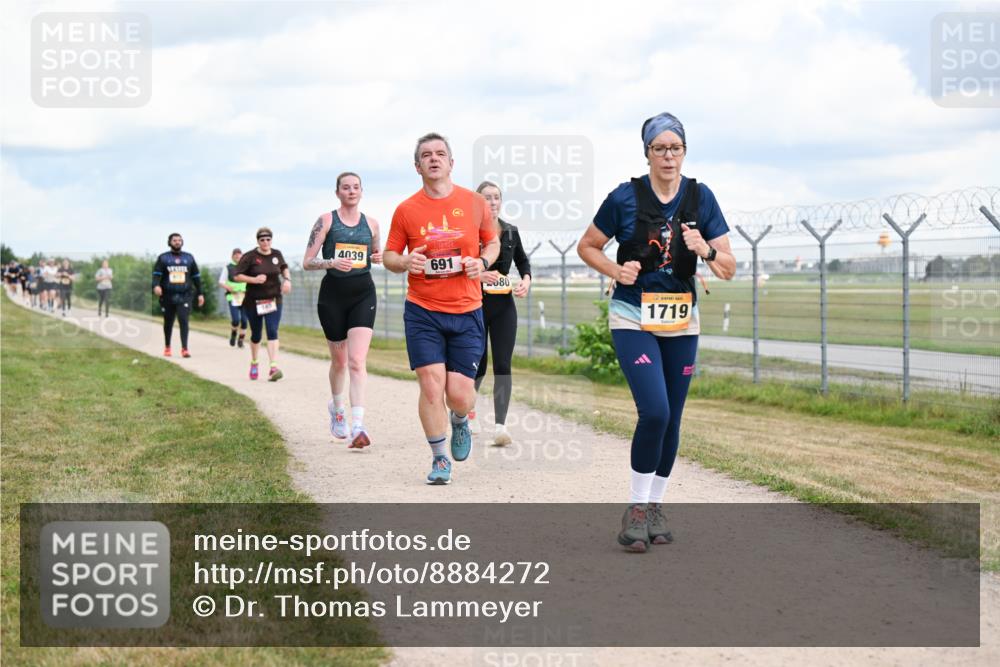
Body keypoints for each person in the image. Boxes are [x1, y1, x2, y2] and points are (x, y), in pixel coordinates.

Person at [577, 112, 736, 552]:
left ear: (685, 152)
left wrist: (704, 249)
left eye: (676, 147)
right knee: (656, 412)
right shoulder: (624, 197)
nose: (668, 155)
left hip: (682, 320)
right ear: (646, 152)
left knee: (674, 420)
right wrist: (615, 269)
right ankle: (636, 510)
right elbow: (587, 245)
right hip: (633, 315)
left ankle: (657, 506)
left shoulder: (701, 198)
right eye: (659, 147)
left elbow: (727, 268)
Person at [383, 132, 500, 485]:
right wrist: (406, 262)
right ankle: (439, 458)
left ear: (451, 162)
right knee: (431, 387)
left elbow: (492, 241)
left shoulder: (474, 202)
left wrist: (482, 261)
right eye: (426, 155)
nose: (434, 159)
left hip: (467, 309)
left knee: (459, 395)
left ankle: (460, 419)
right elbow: (389, 256)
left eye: (440, 154)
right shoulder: (406, 210)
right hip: (423, 310)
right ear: (417, 166)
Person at [304, 172, 383, 449]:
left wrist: (379, 257)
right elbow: (307, 262)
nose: (351, 191)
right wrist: (332, 262)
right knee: (339, 362)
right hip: (333, 297)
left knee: (357, 361)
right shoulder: (326, 221)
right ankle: (338, 411)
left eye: (356, 187)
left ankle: (358, 425)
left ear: (362, 191)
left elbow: (376, 255)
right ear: (337, 192)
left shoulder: (372, 224)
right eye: (346, 187)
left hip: (363, 294)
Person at [471, 181, 531, 446]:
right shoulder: (470, 232)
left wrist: (526, 280)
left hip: (504, 306)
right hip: (474, 304)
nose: (492, 202)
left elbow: (523, 262)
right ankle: (465, 414)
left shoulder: (510, 231)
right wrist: (480, 275)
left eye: (496, 198)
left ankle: (500, 426)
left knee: (503, 365)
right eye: (487, 198)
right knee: (478, 364)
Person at [234, 227, 291, 381]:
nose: (265, 242)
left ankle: (273, 367)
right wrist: (254, 280)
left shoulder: (276, 254)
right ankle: (254, 362)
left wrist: (287, 280)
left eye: (268, 239)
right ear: (258, 241)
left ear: (271, 240)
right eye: (262, 240)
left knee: (272, 330)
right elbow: (237, 275)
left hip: (273, 300)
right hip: (253, 302)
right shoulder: (250, 256)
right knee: (257, 334)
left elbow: (284, 268)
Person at [152, 233, 204, 357]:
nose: (177, 242)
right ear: (169, 242)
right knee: (168, 321)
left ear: (182, 242)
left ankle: (185, 349)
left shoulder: (189, 258)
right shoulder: (163, 258)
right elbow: (156, 275)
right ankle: (167, 346)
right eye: (174, 240)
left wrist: (200, 293)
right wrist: (156, 286)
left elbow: (196, 277)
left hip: (185, 295)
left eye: (179, 240)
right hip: (168, 295)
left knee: (183, 320)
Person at [218, 248, 248, 347]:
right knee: (236, 320)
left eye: (240, 256)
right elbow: (221, 281)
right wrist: (229, 288)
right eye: (236, 256)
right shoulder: (228, 267)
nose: (238, 258)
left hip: (245, 297)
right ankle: (233, 334)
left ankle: (241, 340)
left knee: (244, 320)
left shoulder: (246, 268)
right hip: (233, 297)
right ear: (232, 257)